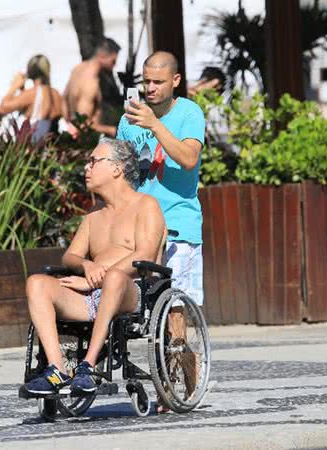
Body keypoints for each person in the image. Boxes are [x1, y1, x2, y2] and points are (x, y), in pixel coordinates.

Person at [21, 138, 166, 396]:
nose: (86, 168)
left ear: (116, 169)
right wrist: (86, 265)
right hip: (91, 295)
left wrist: (96, 279)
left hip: (130, 291)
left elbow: (145, 253)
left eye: (93, 161)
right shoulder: (93, 218)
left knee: (114, 278)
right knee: (37, 283)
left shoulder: (146, 205)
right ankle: (57, 369)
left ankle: (88, 366)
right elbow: (70, 257)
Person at [116, 51, 206, 412]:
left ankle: (176, 383)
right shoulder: (129, 119)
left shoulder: (189, 114)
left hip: (180, 225)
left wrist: (154, 124)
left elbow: (188, 158)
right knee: (137, 310)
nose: (150, 88)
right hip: (140, 227)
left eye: (157, 82)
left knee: (174, 313)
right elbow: (122, 173)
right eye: (145, 81)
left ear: (175, 81)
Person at [0, 54, 64, 143]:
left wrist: (14, 86)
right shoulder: (56, 94)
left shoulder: (31, 93)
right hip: (52, 146)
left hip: (32, 149)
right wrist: (22, 90)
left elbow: (2, 109)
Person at [63, 37, 121, 137]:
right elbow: (82, 124)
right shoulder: (91, 83)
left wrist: (69, 123)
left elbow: (64, 100)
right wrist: (112, 130)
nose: (114, 66)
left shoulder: (78, 69)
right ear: (102, 56)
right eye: (113, 61)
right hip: (85, 142)